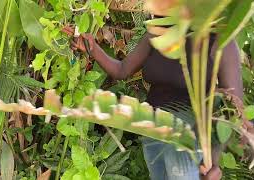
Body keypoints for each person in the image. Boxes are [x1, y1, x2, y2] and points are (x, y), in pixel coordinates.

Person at [62, 25, 243, 179]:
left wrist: (214, 160)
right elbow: (122, 70)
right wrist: (93, 49)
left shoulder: (220, 41)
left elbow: (233, 110)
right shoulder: (159, 31)